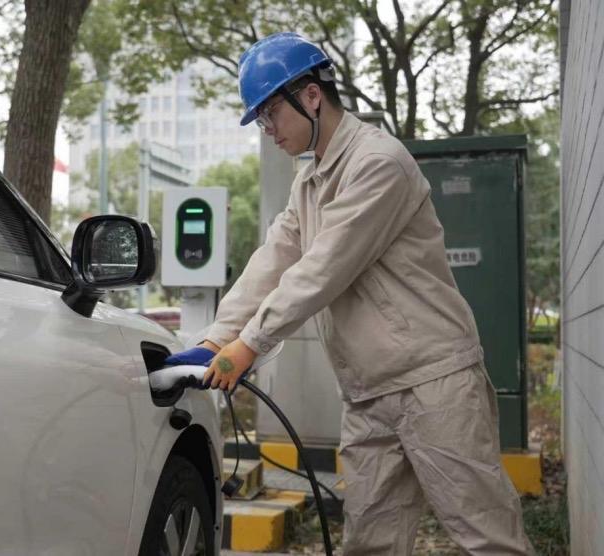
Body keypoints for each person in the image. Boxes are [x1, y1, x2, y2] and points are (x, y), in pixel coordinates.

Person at [165, 32, 534, 555]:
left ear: (312, 96)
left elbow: (323, 268)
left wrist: (250, 344)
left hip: (433, 381)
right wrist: (217, 338)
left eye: (271, 113)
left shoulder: (378, 163)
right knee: (369, 543)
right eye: (261, 119)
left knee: (487, 536)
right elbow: (275, 259)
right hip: (367, 391)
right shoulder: (310, 180)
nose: (268, 129)